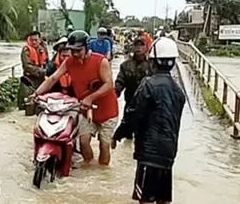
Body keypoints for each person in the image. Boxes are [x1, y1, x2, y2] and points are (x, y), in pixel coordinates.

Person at [112, 37, 185, 204]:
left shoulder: (148, 84)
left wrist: (118, 134)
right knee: (162, 195)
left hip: (150, 152)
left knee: (146, 197)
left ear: (152, 61)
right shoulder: (178, 90)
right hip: (169, 151)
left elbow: (132, 115)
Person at [33, 30, 119, 165]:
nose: (74, 54)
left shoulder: (101, 61)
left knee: (104, 145)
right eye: (72, 50)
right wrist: (36, 93)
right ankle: (88, 168)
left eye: (78, 50)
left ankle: (103, 172)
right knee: (83, 142)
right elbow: (53, 78)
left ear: (87, 47)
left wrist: (91, 97)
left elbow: (109, 84)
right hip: (85, 110)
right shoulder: (69, 62)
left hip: (107, 111)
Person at [115, 36, 151, 110]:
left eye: (141, 45)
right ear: (133, 47)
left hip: (147, 107)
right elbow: (119, 82)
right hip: (130, 105)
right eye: (136, 45)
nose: (139, 47)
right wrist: (113, 95)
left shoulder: (152, 66)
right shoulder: (125, 65)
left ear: (146, 48)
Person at [18, 31, 48, 110]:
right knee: (27, 104)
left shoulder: (44, 49)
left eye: (36, 40)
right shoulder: (26, 50)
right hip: (29, 79)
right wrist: (41, 71)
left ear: (40, 40)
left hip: (41, 78)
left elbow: (47, 62)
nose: (34, 42)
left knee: (42, 102)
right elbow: (27, 66)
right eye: (32, 40)